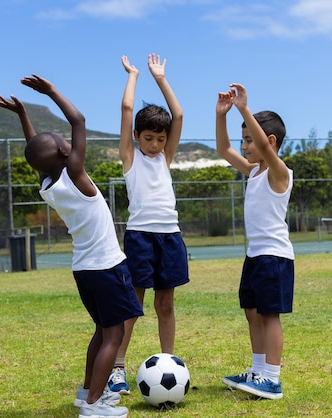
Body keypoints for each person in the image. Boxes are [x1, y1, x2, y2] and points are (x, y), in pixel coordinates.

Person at [0, 74, 143, 418]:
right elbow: (78, 120)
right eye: (63, 141)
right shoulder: (75, 174)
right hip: (107, 267)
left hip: (85, 270)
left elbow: (36, 150)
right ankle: (94, 406)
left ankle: (86, 392)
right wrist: (51, 92)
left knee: (102, 331)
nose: (66, 139)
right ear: (65, 150)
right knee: (114, 336)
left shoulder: (48, 182)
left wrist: (23, 116)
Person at [107, 54, 190, 394]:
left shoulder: (166, 158)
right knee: (133, 304)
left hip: (170, 237)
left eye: (161, 139)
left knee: (165, 304)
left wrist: (161, 78)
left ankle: (168, 364)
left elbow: (179, 114)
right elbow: (127, 111)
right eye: (148, 139)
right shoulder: (130, 157)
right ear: (137, 137)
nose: (155, 145)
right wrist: (134, 75)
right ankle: (117, 368)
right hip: (140, 237)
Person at [215, 83, 294, 400]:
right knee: (252, 311)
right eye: (244, 139)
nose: (245, 146)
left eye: (249, 140)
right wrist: (221, 115)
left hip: (274, 257)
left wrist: (244, 108)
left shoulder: (280, 172)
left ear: (269, 142)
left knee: (269, 315)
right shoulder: (252, 172)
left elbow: (265, 147)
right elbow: (223, 150)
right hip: (255, 256)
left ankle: (272, 379)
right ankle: (258, 371)